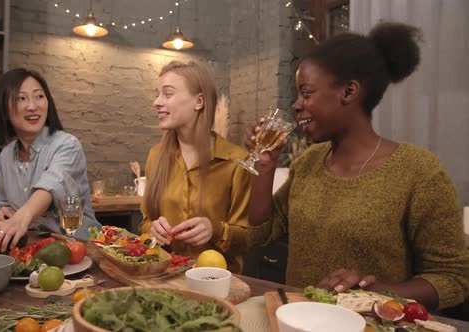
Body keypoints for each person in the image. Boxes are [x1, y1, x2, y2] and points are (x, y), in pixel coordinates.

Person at [246, 22, 469, 309]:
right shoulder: (309, 163)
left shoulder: (420, 172)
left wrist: (376, 293)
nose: (296, 105)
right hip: (297, 321)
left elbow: (454, 278)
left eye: (307, 92)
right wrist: (265, 167)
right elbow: (261, 235)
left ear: (349, 92)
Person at [139, 61, 252, 273]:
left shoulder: (237, 161)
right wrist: (151, 230)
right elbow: (145, 222)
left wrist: (216, 231)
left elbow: (249, 239)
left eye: (168, 94)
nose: (156, 102)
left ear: (198, 101)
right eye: (157, 94)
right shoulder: (156, 156)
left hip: (218, 283)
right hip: (163, 276)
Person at [0, 68, 101, 253]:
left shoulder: (67, 145)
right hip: (33, 253)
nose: (32, 106)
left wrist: (20, 218)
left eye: (39, 96)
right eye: (21, 98)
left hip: (79, 250)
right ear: (3, 108)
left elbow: (51, 185)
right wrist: (1, 211)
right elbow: (0, 201)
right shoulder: (5, 157)